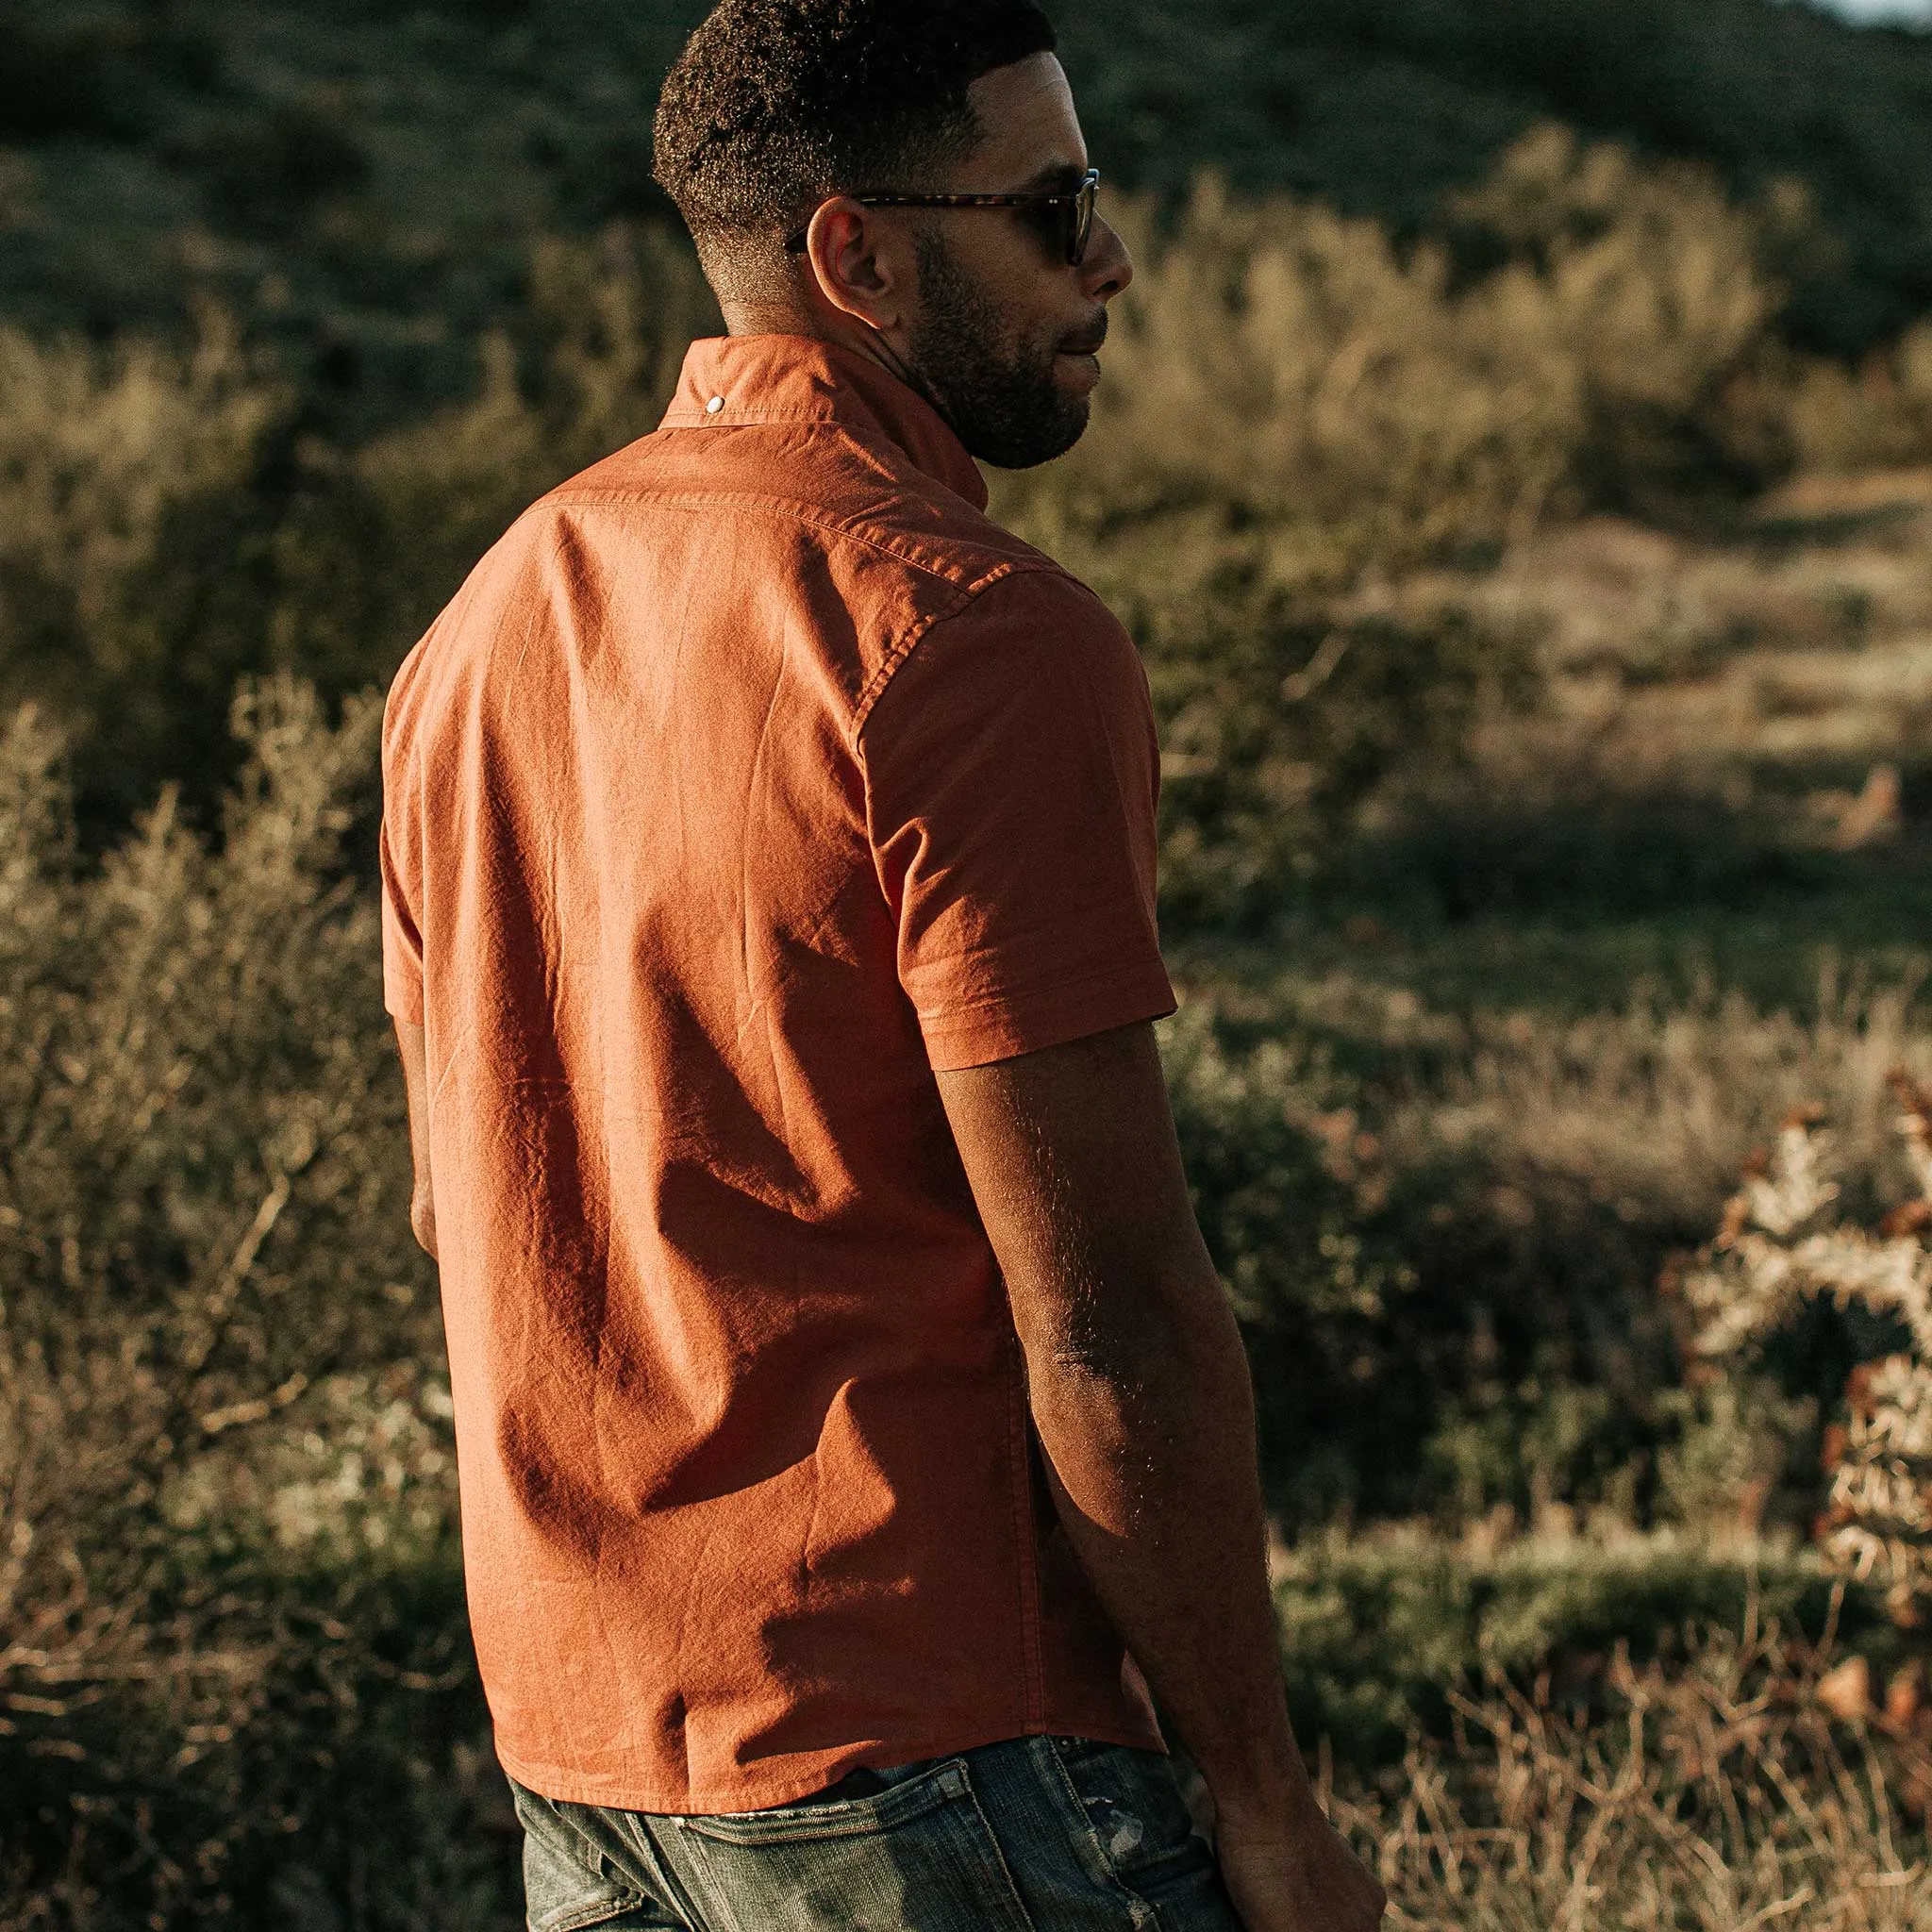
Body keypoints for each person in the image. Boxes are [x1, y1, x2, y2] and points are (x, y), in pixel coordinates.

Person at [378, 2, 1388, 1926]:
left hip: (584, 1775)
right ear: (857, 254)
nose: (1110, 259)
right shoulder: (970, 634)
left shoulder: (475, 633)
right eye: (1054, 207)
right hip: (937, 1762)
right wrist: (1265, 1803)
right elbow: (1111, 1322)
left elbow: (465, 1213)